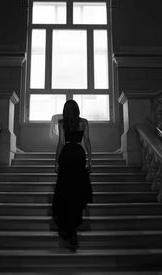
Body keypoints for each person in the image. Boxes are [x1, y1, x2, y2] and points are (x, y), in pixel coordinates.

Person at [52, 100, 93, 250]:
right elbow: (87, 141)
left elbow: (61, 142)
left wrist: (56, 161)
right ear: (77, 109)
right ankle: (74, 229)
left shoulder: (62, 122)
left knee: (65, 192)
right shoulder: (84, 122)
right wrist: (90, 159)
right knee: (77, 192)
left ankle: (68, 229)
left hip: (66, 155)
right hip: (79, 155)